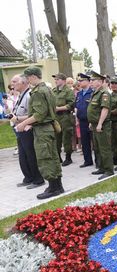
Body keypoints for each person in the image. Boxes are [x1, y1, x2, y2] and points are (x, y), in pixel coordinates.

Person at [16, 66, 64, 199]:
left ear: (33, 76)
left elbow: (39, 115)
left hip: (42, 130)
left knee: (45, 158)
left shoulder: (38, 92)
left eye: (27, 77)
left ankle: (54, 187)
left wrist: (23, 123)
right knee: (52, 157)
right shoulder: (47, 89)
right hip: (47, 128)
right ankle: (56, 185)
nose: (27, 80)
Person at [9, 74, 44, 189]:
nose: (12, 84)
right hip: (20, 129)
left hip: (27, 129)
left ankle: (38, 179)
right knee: (23, 156)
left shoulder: (29, 95)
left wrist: (19, 119)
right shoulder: (20, 95)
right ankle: (28, 177)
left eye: (15, 82)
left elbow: (33, 115)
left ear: (23, 83)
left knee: (31, 155)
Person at [87, 70, 113, 180]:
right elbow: (93, 109)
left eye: (93, 80)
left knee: (105, 148)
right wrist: (91, 122)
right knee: (97, 147)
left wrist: (100, 124)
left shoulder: (104, 93)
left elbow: (104, 109)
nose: (91, 82)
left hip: (102, 125)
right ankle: (102, 167)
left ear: (100, 81)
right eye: (91, 80)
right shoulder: (96, 92)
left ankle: (109, 170)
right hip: (95, 124)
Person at [52, 73, 75, 166]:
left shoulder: (68, 91)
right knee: (56, 138)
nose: (56, 81)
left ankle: (68, 157)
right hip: (56, 117)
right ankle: (58, 156)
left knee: (66, 137)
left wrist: (59, 108)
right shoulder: (54, 91)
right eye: (55, 79)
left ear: (63, 80)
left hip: (65, 116)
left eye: (57, 79)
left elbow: (71, 104)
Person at [75, 73, 94, 167]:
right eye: (79, 81)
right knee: (85, 142)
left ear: (87, 81)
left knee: (95, 142)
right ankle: (87, 160)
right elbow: (77, 107)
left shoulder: (92, 93)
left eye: (81, 80)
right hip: (82, 121)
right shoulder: (79, 94)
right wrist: (76, 119)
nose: (79, 82)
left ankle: (99, 161)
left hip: (91, 121)